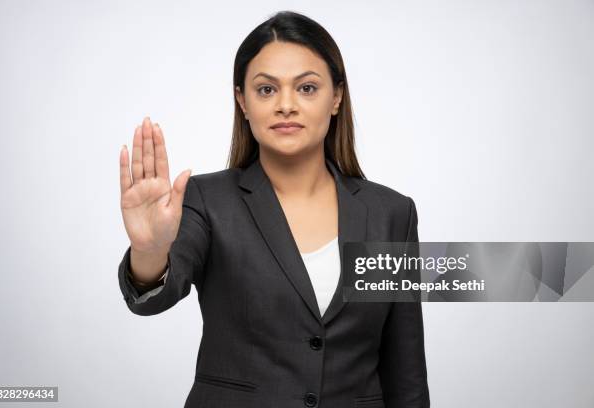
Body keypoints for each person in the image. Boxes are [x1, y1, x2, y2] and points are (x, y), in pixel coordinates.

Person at [118, 10, 429, 408]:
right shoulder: (205, 200)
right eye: (266, 90)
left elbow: (406, 372)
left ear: (336, 98)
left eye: (307, 88)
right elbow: (156, 294)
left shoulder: (392, 213)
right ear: (242, 102)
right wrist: (149, 249)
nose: (286, 105)